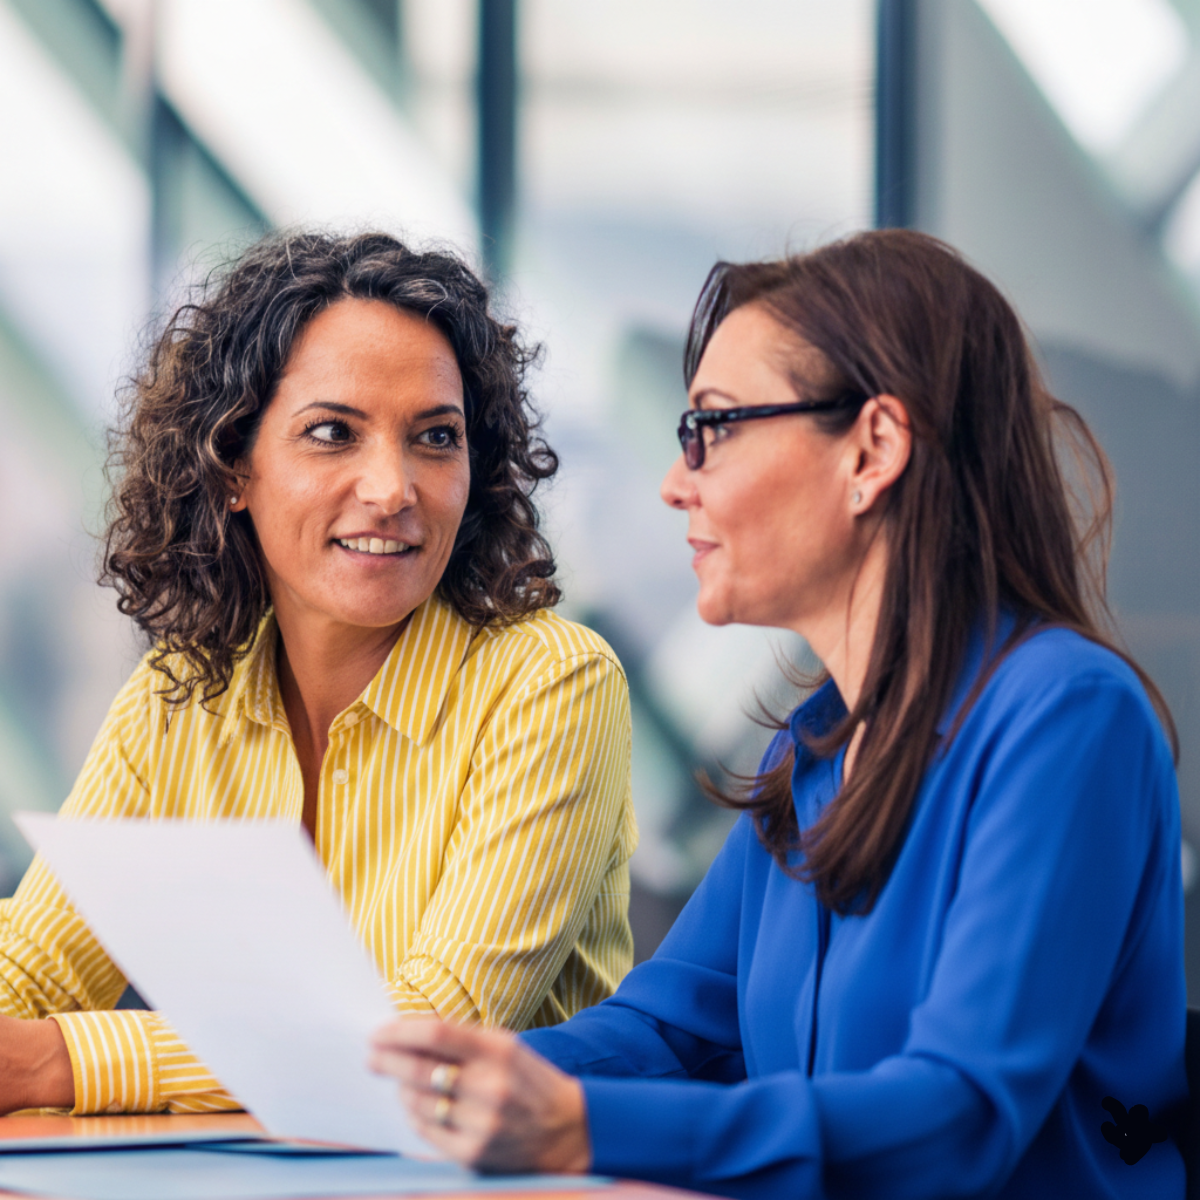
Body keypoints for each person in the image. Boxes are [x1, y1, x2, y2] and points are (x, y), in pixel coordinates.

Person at [369, 228, 1187, 1198]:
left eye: (714, 427)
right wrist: (445, 1075)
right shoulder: (817, 746)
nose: (679, 482)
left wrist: (582, 1127)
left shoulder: (1069, 719)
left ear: (873, 449)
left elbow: (960, 1116)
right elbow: (671, 1028)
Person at [0, 232, 636, 1117]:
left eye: (436, 438)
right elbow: (33, 970)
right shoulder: (181, 692)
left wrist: (60, 1063)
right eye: (334, 433)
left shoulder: (551, 685)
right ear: (231, 468)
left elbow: (430, 1035)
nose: (392, 488)